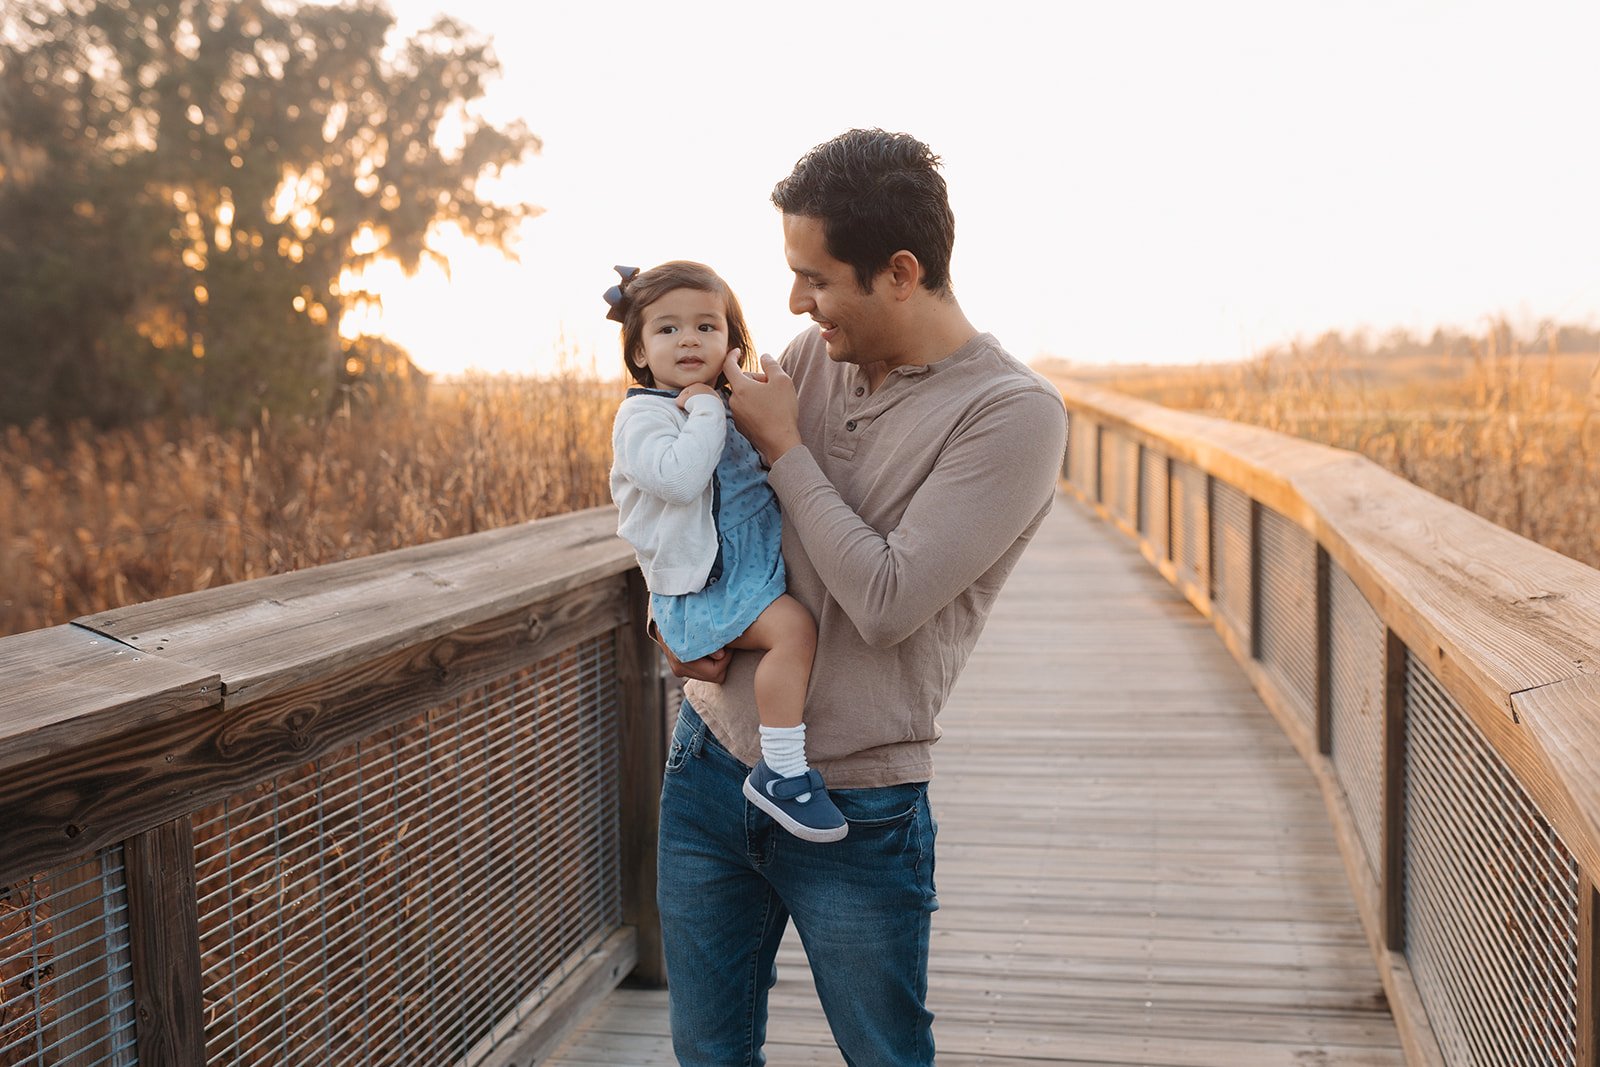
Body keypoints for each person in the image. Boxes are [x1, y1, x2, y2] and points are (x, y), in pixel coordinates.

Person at [652, 130, 1068, 1065]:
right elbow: (698, 509)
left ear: (901, 272)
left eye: (816, 277)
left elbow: (884, 599)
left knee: (885, 1053)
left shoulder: (1012, 414)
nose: (796, 303)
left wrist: (786, 448)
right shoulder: (808, 354)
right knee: (707, 1053)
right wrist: (672, 622)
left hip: (857, 807)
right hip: (711, 766)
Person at [606, 260, 848, 843]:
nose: (688, 339)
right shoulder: (644, 417)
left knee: (793, 630)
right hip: (704, 591)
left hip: (738, 576)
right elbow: (681, 479)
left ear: (733, 346)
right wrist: (710, 407)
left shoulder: (727, 408)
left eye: (706, 327)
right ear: (639, 352)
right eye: (666, 329)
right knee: (795, 632)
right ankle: (784, 772)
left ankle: (781, 770)